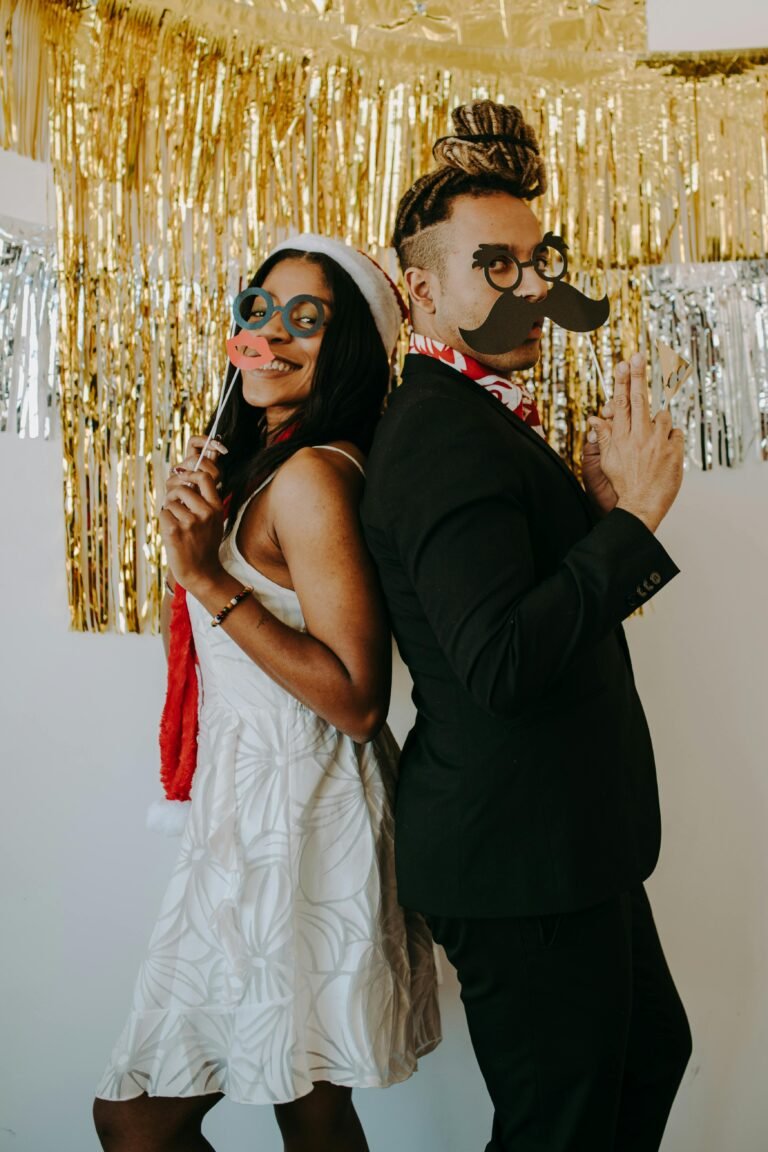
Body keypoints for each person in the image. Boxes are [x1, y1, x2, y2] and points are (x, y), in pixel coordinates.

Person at [360, 100, 692, 1151]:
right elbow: (502, 663)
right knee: (565, 1127)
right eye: (493, 267)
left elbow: (518, 617)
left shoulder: (477, 415)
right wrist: (632, 523)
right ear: (423, 289)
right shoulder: (443, 437)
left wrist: (597, 520)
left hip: (562, 842)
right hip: (520, 854)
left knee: (650, 1057)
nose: (531, 289)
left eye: (535, 262)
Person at [93, 235, 441, 1152]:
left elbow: (360, 698)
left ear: (351, 349)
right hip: (252, 816)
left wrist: (211, 580)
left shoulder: (314, 478)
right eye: (260, 309)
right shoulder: (273, 466)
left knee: (143, 1120)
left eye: (308, 319)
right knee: (311, 1109)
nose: (272, 333)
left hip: (303, 820)